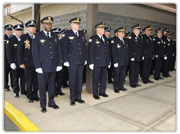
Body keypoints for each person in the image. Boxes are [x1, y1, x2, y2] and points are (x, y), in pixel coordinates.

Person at [32, 16, 63, 113]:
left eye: (50, 24)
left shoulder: (54, 36)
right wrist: (37, 66)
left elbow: (59, 51)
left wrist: (59, 64)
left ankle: (51, 102)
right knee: (42, 87)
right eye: (47, 24)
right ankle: (43, 105)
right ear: (43, 25)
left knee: (52, 86)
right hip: (42, 67)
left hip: (53, 66)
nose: (49, 26)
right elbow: (35, 52)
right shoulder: (37, 36)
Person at [62, 17, 87, 106]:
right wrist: (65, 60)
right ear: (71, 25)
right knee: (72, 81)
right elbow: (64, 48)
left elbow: (84, 48)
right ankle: (72, 98)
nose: (78, 25)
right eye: (76, 24)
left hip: (80, 61)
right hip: (71, 62)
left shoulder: (81, 34)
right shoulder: (67, 34)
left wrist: (85, 59)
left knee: (80, 81)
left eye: (78, 24)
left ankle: (78, 97)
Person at [17, 20, 39, 103]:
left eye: (34, 27)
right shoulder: (23, 38)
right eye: (31, 27)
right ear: (27, 28)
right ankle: (30, 96)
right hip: (27, 63)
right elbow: (19, 52)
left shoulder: (37, 36)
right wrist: (21, 63)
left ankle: (35, 95)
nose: (33, 28)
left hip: (37, 63)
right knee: (29, 81)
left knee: (36, 81)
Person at [88, 22, 111, 100]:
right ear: (98, 29)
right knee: (96, 79)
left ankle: (102, 92)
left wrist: (109, 61)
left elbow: (108, 51)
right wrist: (91, 63)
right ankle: (95, 93)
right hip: (97, 63)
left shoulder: (105, 38)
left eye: (103, 28)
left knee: (104, 78)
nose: (103, 30)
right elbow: (90, 51)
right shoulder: (93, 38)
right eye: (102, 28)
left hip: (104, 62)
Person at [6, 24, 26, 97]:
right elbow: (9, 53)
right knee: (15, 78)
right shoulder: (11, 40)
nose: (20, 32)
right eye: (18, 30)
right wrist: (11, 62)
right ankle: (16, 91)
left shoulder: (25, 39)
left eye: (21, 30)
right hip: (15, 63)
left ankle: (23, 90)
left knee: (23, 78)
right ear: (15, 31)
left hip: (23, 63)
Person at [111, 27, 129, 93]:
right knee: (117, 75)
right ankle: (116, 87)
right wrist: (115, 62)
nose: (123, 34)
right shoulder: (114, 41)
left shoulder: (125, 40)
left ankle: (121, 86)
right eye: (122, 33)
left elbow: (127, 51)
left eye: (124, 33)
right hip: (118, 62)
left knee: (123, 75)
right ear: (118, 33)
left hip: (124, 61)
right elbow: (113, 52)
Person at [51, 28, 65, 97]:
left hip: (60, 62)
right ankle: (54, 91)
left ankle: (59, 90)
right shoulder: (52, 41)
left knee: (60, 77)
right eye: (56, 33)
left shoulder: (62, 41)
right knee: (53, 78)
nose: (58, 35)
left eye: (58, 33)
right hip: (54, 62)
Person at [4, 24, 14, 91]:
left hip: (13, 59)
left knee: (13, 73)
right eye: (8, 30)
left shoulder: (14, 38)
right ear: (5, 31)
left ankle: (13, 85)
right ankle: (5, 86)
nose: (10, 31)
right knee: (5, 73)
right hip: (4, 59)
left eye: (11, 30)